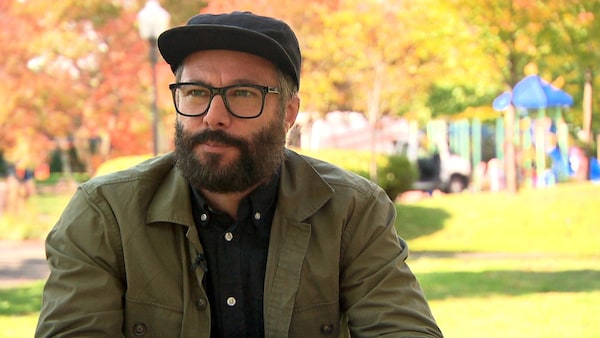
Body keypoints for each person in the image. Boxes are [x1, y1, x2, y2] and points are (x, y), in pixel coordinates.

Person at [36, 11, 443, 338]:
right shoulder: (105, 214)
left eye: (243, 94)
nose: (214, 116)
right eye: (195, 92)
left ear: (289, 112)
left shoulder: (351, 210)